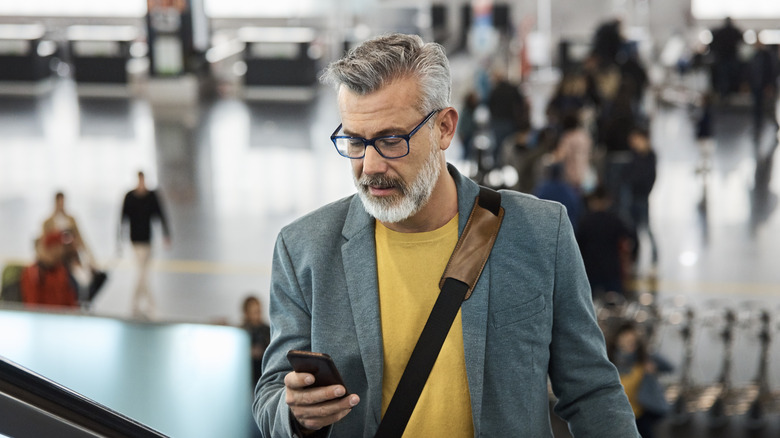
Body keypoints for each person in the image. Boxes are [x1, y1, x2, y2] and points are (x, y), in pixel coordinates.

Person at [253, 33, 638, 437]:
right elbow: (269, 400)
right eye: (354, 141)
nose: (369, 167)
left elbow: (592, 391)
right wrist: (295, 414)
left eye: (390, 140)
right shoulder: (304, 250)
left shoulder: (540, 233)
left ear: (444, 128)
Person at [607, 322, 674, 438]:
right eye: (627, 340)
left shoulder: (644, 358)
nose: (630, 345)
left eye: (633, 341)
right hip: (616, 415)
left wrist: (654, 365)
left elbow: (669, 367)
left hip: (640, 414)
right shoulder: (610, 361)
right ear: (617, 340)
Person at [118, 171, 171, 319]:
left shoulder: (151, 196)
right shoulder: (129, 197)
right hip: (135, 240)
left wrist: (166, 234)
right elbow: (123, 218)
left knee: (143, 274)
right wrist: (119, 239)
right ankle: (148, 305)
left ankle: (136, 305)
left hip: (148, 239)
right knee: (143, 274)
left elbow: (160, 214)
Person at [42, 191, 100, 302]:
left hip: (71, 258)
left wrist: (91, 259)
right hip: (55, 262)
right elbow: (45, 244)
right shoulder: (48, 223)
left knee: (84, 280)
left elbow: (81, 239)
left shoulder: (71, 220)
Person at [242, 295, 271, 386]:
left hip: (263, 375)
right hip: (247, 375)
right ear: (246, 313)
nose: (257, 315)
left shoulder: (267, 330)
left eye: (258, 312)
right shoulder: (242, 332)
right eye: (254, 312)